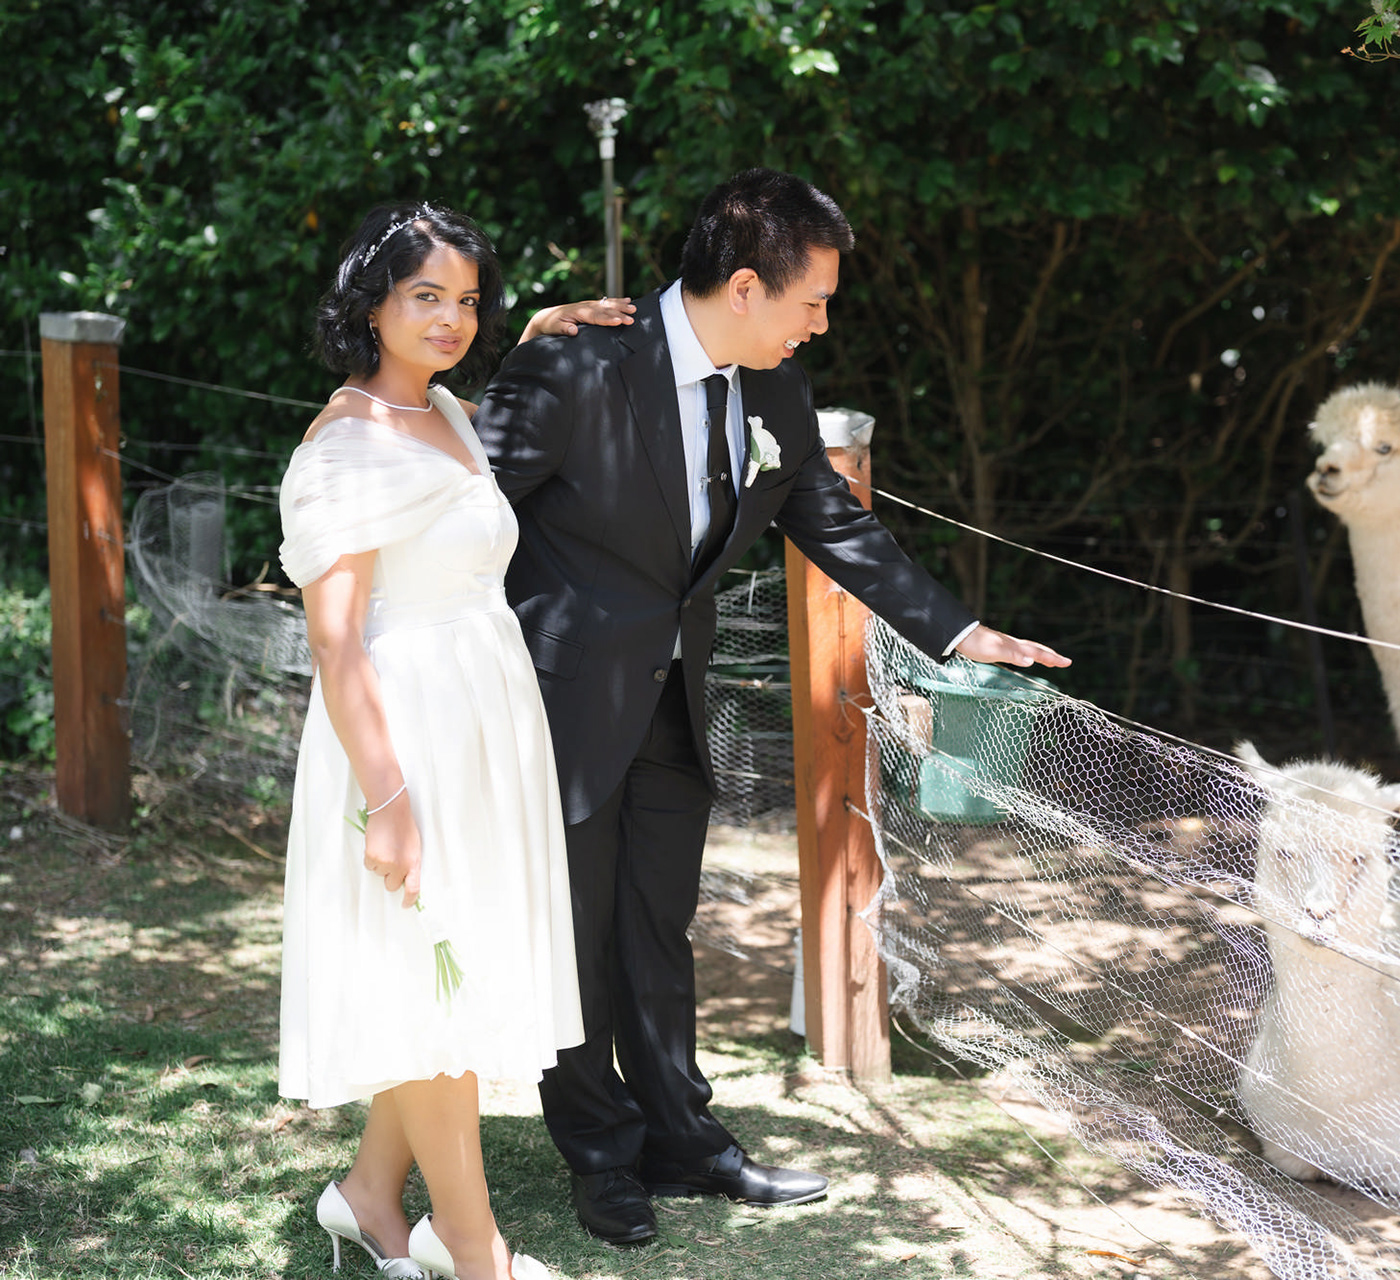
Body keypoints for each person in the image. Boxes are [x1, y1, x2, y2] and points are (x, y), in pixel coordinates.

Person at [472, 167, 1069, 1247]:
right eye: (813, 301)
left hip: (675, 704)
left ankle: (683, 1140)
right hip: (556, 706)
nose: (821, 325)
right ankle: (600, 1154)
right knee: (577, 937)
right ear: (745, 286)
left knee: (658, 928)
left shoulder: (776, 389)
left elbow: (836, 525)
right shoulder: (575, 364)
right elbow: (464, 514)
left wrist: (963, 632)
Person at [277, 202, 634, 1280]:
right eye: (424, 295)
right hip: (404, 735)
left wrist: (532, 337)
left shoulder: (441, 409)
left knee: (447, 974)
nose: (451, 318)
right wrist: (388, 799)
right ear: (370, 303)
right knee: (433, 983)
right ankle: (472, 1247)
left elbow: (455, 450)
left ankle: (368, 1195)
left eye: (466, 300)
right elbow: (336, 642)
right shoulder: (344, 446)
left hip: (481, 724)